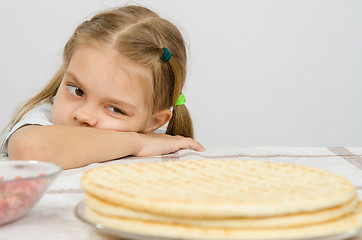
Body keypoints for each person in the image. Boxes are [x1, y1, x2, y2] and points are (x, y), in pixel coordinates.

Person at [0, 5, 204, 169]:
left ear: (154, 121)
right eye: (77, 90)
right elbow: (32, 152)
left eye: (115, 109)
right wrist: (138, 142)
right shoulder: (43, 121)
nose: (84, 115)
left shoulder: (161, 148)